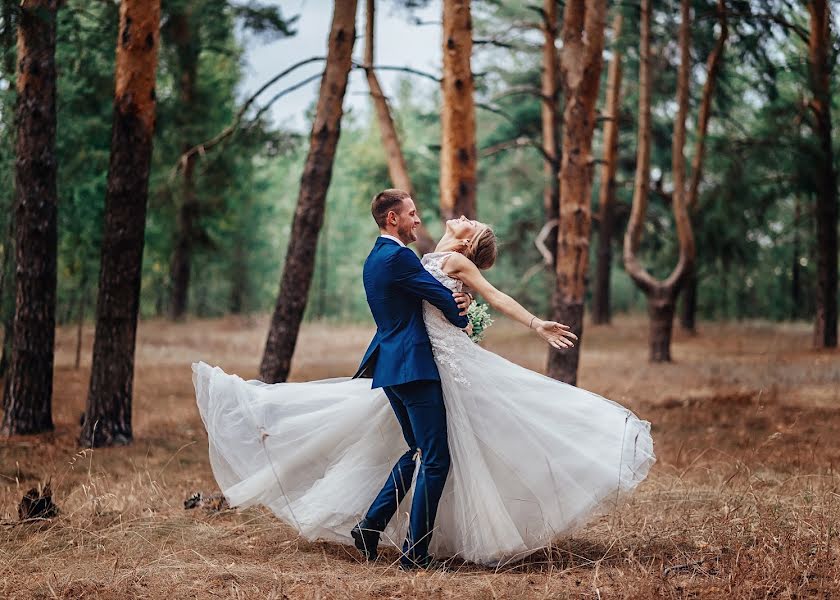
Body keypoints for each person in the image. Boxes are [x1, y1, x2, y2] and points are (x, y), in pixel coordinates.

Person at [192, 188, 654, 568]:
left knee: (419, 453)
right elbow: (448, 306)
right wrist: (462, 311)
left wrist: (527, 321)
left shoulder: (399, 257)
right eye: (411, 213)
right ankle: (414, 552)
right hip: (415, 367)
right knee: (435, 458)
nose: (428, 217)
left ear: (469, 243)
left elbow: (481, 295)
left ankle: (372, 527)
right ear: (394, 219)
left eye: (469, 222)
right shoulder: (409, 259)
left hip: (402, 366)